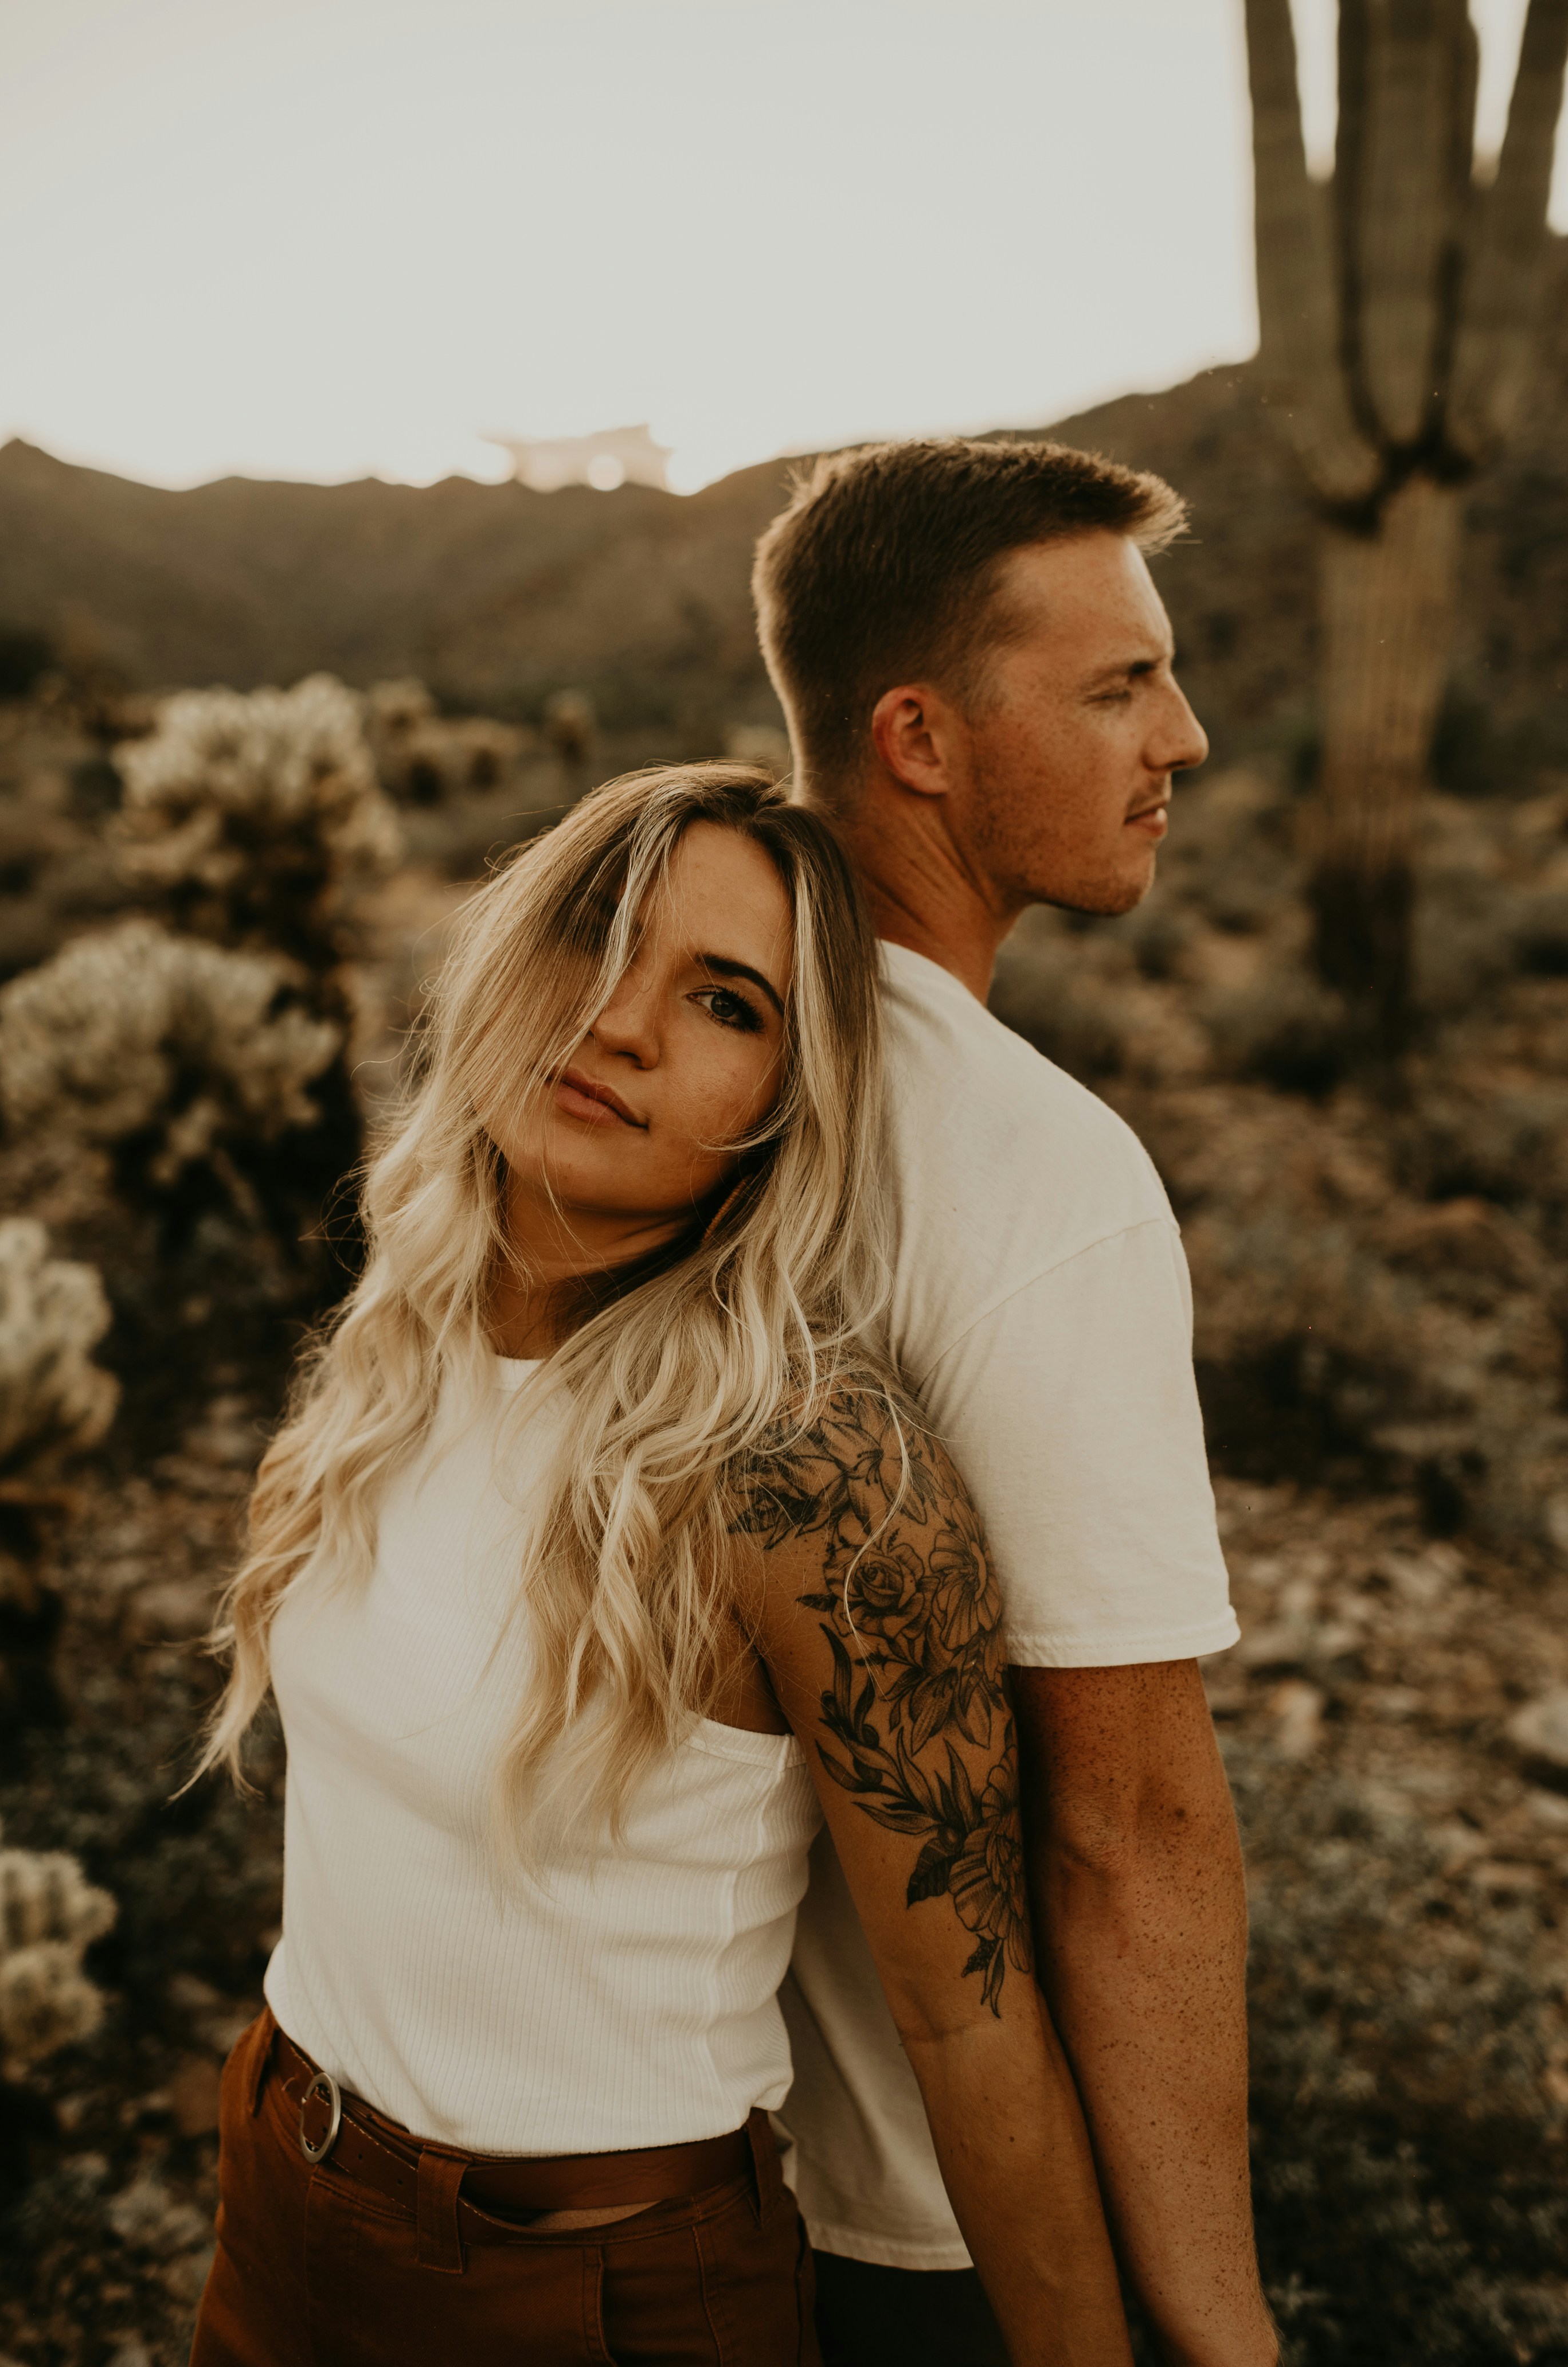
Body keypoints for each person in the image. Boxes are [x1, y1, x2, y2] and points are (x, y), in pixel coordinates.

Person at [187, 764, 1133, 2367]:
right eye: (592, 935)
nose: (622, 1024)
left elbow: (966, 2015)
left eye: (723, 1003)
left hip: (595, 2292)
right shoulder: (401, 1336)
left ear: (785, 1098)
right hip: (282, 2189)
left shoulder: (801, 1477)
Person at [752, 439, 1280, 2367]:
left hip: (669, 2147)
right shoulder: (1037, 1176)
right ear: (920, 738)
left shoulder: (663, 1072)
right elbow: (1127, 1820)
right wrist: (1217, 2328)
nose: (1189, 738)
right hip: (926, 2217)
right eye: (1119, 685)